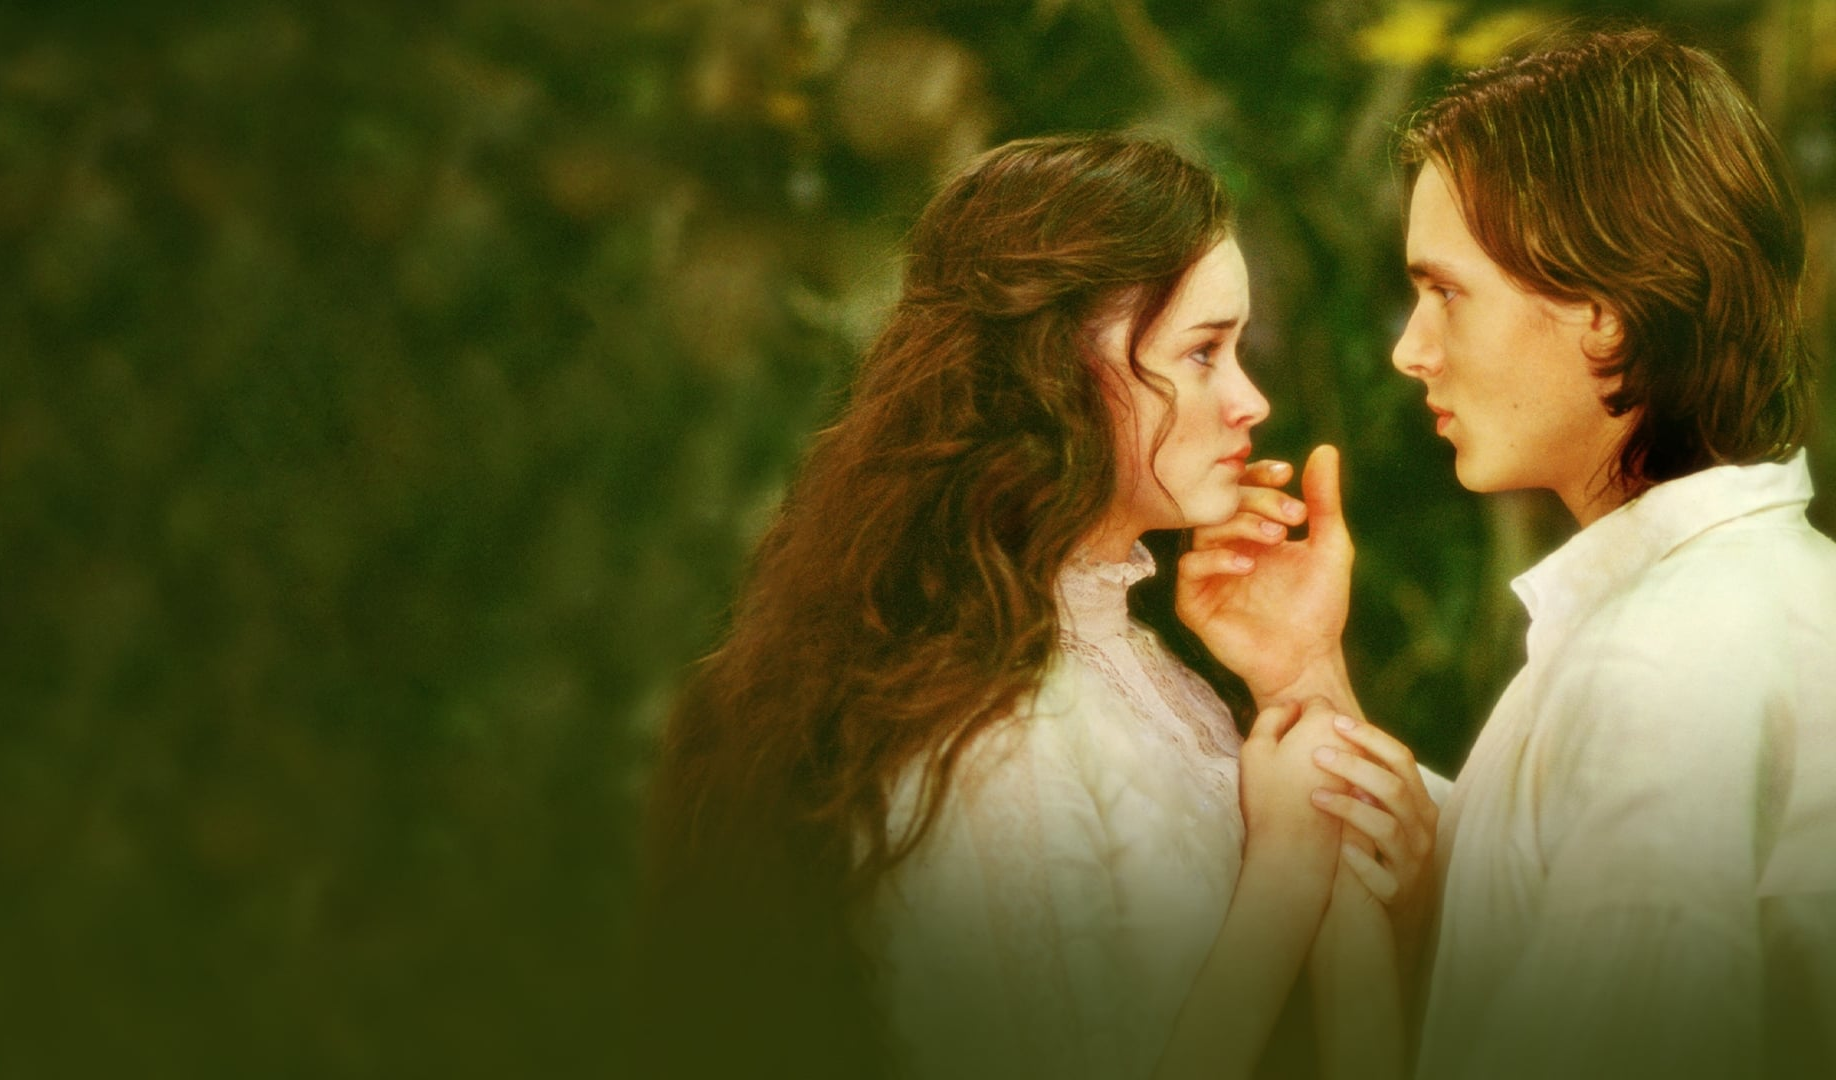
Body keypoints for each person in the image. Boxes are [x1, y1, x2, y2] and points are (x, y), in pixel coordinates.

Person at [636, 133, 1439, 1080]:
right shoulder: (980, 736)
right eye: (1202, 352)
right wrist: (1285, 877)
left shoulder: (1125, 656)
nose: (1249, 400)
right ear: (1057, 371)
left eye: (1236, 350)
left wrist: (1301, 666)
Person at [1383, 26, 1836, 1078]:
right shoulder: (1753, 600)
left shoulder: (1666, 664)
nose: (1411, 349)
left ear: (1605, 312)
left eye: (1446, 292)